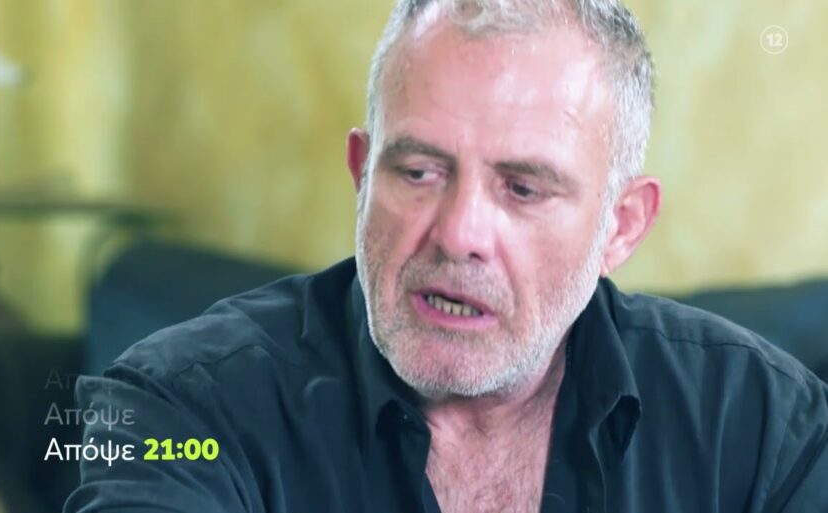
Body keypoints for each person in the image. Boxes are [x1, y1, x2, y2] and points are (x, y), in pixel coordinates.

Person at [64, 0, 828, 512]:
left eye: (522, 188)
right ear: (362, 175)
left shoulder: (767, 428)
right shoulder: (178, 408)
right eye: (418, 171)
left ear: (620, 227)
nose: (458, 232)